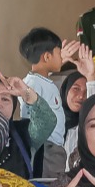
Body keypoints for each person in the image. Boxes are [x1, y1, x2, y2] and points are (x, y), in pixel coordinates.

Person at [0, 72, 57, 180]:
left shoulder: (22, 131)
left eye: (5, 99)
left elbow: (47, 121)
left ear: (13, 106)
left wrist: (26, 92)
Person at [19, 28, 70, 159]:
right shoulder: (32, 85)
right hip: (46, 149)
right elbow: (29, 118)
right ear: (47, 57)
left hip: (54, 147)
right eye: (59, 54)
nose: (61, 58)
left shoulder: (42, 81)